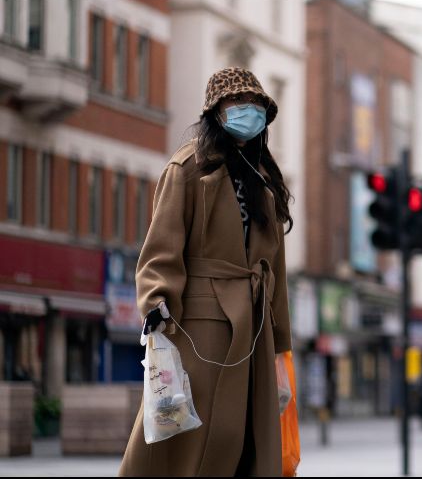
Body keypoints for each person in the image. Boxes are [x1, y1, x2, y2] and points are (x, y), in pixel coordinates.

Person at [119, 67, 293, 477]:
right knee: (196, 434)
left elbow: (276, 272)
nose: (248, 112)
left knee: (246, 437)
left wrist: (280, 347)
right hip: (201, 323)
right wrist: (156, 301)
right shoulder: (187, 169)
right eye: (238, 103)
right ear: (216, 111)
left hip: (254, 326)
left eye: (256, 106)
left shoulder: (264, 178)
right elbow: (161, 246)